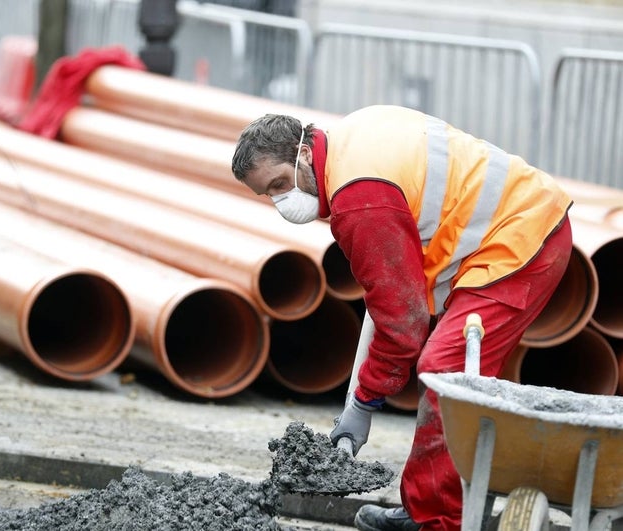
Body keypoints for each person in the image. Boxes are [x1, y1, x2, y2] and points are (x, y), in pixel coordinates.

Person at [230, 105, 573, 531]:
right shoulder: (347, 142)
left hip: (523, 239)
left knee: (445, 371)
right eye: (269, 195)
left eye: (280, 184)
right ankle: (427, 511)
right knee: (444, 372)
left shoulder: (359, 198)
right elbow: (390, 296)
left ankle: (439, 522)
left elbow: (403, 325)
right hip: (509, 226)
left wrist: (363, 401)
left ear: (302, 154)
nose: (281, 201)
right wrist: (364, 397)